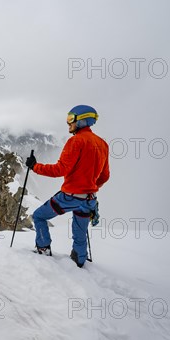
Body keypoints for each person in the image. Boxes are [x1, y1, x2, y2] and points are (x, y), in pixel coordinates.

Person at [25, 105, 110, 268]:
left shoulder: (76, 141)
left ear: (82, 120)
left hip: (70, 196)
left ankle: (43, 249)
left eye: (71, 118)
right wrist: (90, 187)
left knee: (39, 216)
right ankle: (79, 261)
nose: (68, 123)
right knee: (80, 231)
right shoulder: (102, 144)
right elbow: (105, 176)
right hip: (89, 199)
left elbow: (60, 169)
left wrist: (35, 167)